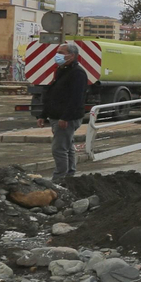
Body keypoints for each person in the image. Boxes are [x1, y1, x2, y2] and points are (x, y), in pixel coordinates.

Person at [38, 42, 89, 181]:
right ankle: (69, 175)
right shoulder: (62, 70)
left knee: (59, 149)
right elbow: (52, 94)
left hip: (67, 118)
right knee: (68, 146)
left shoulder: (77, 73)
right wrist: (43, 114)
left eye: (61, 52)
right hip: (56, 115)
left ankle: (59, 179)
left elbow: (76, 98)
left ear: (71, 56)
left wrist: (65, 117)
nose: (57, 55)